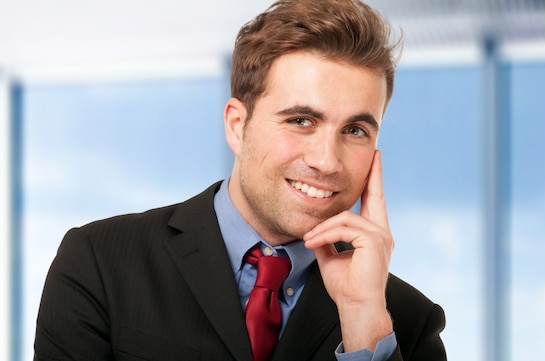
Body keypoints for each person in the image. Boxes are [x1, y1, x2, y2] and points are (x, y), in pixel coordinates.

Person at [34, 0, 447, 360]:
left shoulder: (403, 322)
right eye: (301, 120)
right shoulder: (100, 262)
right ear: (237, 125)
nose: (327, 161)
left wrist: (362, 321)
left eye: (355, 130)